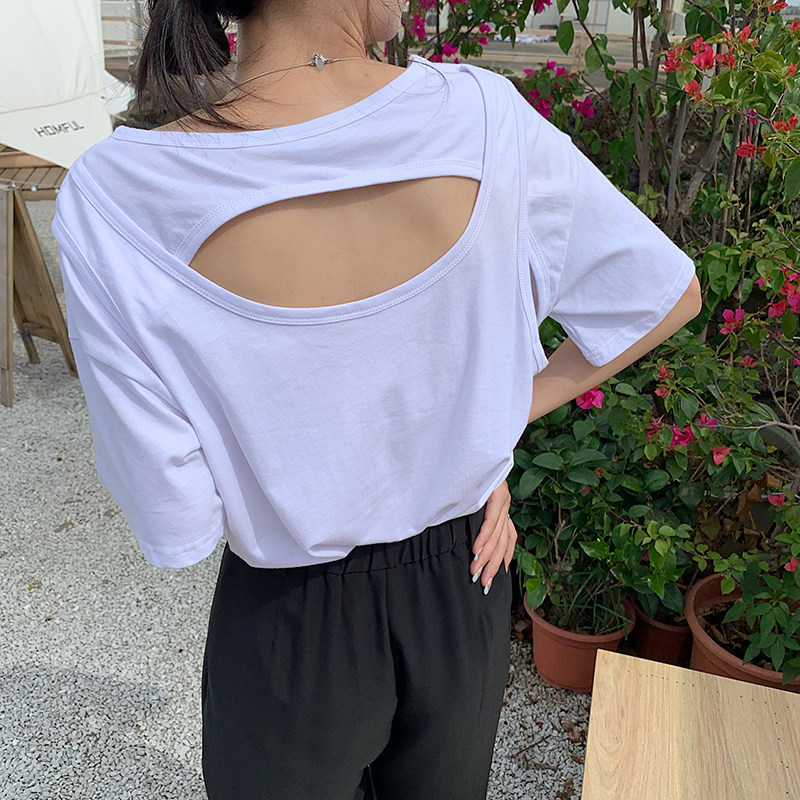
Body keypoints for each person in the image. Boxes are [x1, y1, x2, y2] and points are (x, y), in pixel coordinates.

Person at [50, 0, 702, 797]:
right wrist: (482, 429)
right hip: (463, 584)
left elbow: (172, 509)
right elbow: (661, 296)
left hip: (289, 618)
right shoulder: (485, 120)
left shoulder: (117, 194)